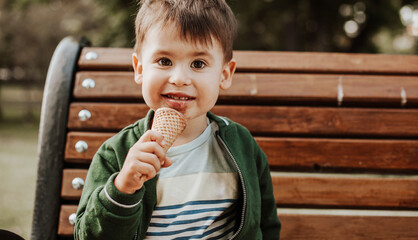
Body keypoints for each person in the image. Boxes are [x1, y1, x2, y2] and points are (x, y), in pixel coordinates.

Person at [75, 0, 281, 239]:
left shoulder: (242, 145)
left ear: (224, 75)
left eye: (198, 63)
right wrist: (122, 189)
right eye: (164, 61)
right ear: (139, 69)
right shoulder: (117, 154)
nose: (180, 78)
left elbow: (266, 223)